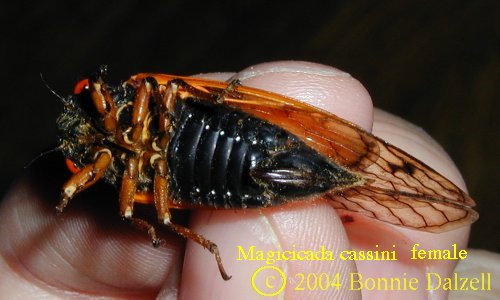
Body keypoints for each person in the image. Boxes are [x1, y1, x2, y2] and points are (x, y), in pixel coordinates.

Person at [0, 61, 493, 299]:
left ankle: (338, 181)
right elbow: (139, 207)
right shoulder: (112, 176)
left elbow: (169, 90)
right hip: (200, 179)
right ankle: (335, 188)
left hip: (230, 130)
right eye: (76, 167)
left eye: (88, 94)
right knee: (138, 211)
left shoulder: (142, 94)